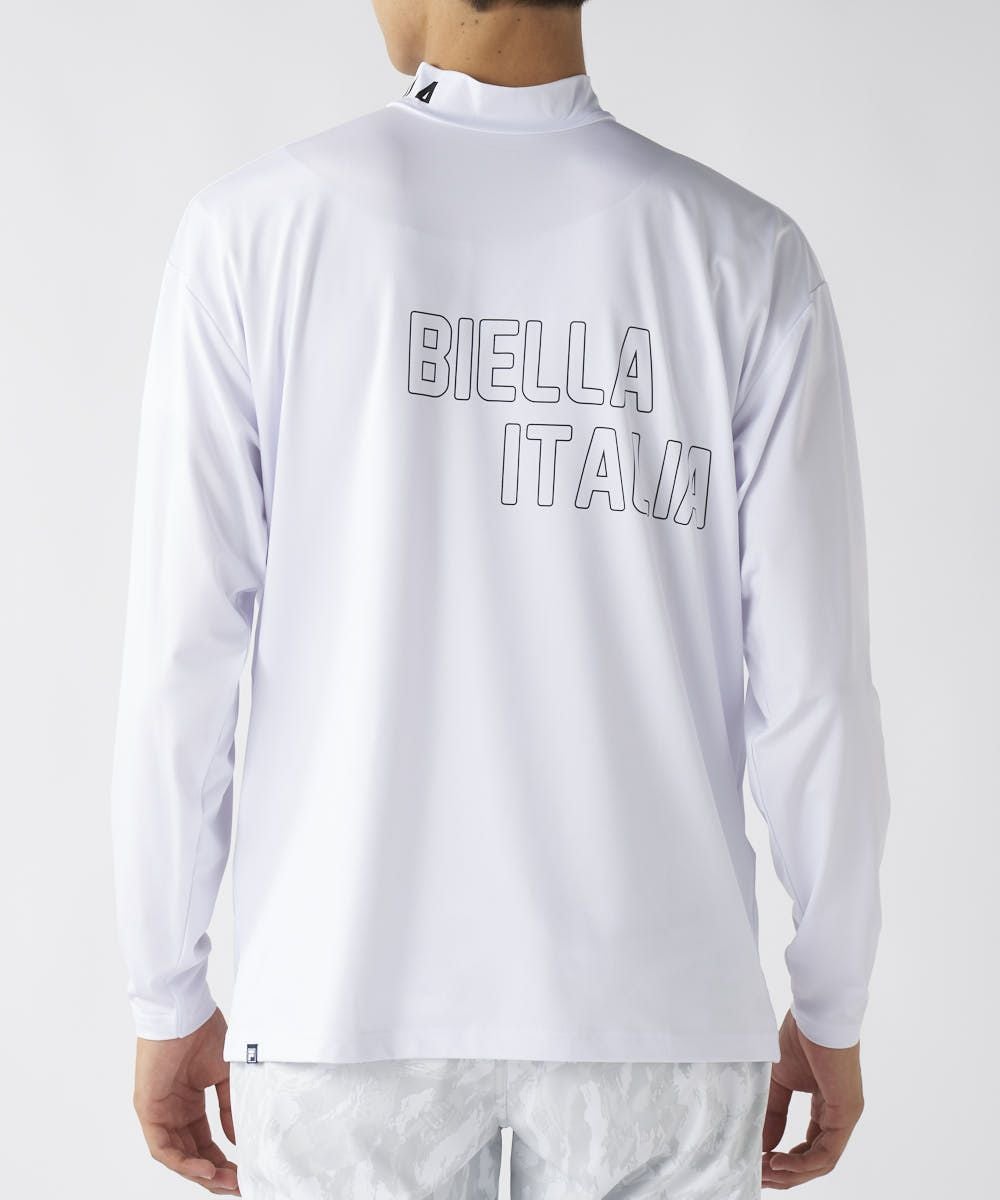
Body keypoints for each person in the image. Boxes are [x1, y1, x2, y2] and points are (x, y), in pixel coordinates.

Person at [110, 0, 891, 1195]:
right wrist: (830, 1001)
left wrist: (165, 989)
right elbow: (814, 686)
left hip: (340, 1009)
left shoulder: (251, 235)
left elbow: (183, 662)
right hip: (659, 1018)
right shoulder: (741, 255)